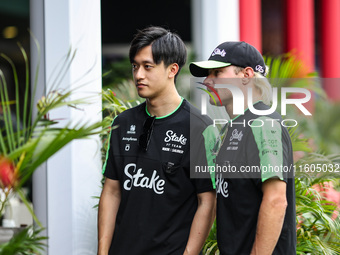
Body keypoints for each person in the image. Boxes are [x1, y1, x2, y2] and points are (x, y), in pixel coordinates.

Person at [98, 26, 216, 255]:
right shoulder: (122, 123)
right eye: (135, 66)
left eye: (147, 67)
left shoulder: (200, 128)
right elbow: (112, 191)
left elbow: (207, 201)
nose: (138, 75)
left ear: (172, 69)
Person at [189, 41, 296, 255]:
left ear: (246, 75)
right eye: (207, 73)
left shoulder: (263, 124)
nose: (208, 81)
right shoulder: (232, 128)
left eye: (217, 72)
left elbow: (276, 200)